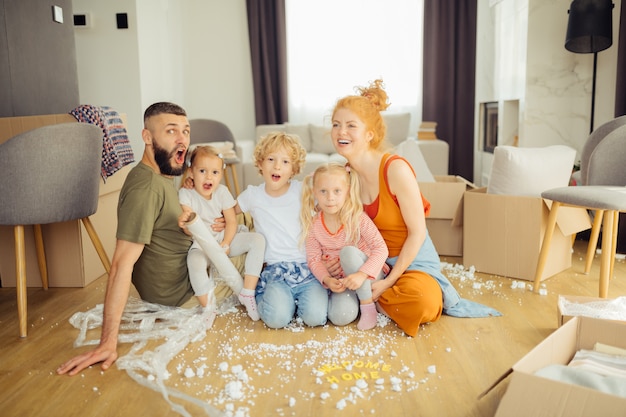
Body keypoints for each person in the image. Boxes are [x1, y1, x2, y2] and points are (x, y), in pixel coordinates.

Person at [328, 79, 501, 337]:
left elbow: (417, 234)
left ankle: (368, 297)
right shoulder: (346, 175)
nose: (341, 132)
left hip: (411, 264)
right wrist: (333, 257)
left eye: (351, 126)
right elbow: (346, 229)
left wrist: (389, 282)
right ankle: (367, 295)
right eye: (336, 125)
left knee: (424, 303)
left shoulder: (395, 169)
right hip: (372, 262)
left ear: (369, 134)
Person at [57, 102, 199, 376]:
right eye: (171, 131)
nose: (182, 139)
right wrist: (107, 343)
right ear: (147, 137)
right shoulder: (146, 187)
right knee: (258, 234)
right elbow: (121, 264)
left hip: (187, 274)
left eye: (186, 131)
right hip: (185, 293)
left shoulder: (160, 174)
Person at [236, 132, 328, 329]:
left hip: (308, 268)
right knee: (276, 320)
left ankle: (291, 302)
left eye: (285, 162)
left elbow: (328, 206)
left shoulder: (301, 190)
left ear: (294, 169)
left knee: (315, 317)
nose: (277, 166)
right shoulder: (252, 195)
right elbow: (226, 209)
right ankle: (270, 297)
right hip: (276, 271)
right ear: (260, 163)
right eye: (271, 159)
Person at [178, 145, 265, 321]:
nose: (209, 177)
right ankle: (208, 307)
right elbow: (189, 227)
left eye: (215, 172)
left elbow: (232, 221)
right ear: (191, 173)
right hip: (202, 244)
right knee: (194, 261)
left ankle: (248, 291)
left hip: (224, 239)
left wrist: (225, 243)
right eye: (202, 171)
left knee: (258, 239)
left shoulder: (222, 192)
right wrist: (185, 224)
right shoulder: (186, 193)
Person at [301, 162, 390, 330]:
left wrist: (361, 275)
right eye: (323, 191)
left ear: (347, 191)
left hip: (370, 274)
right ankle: (359, 300)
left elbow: (381, 249)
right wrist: (327, 279)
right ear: (315, 192)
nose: (330, 198)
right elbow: (313, 259)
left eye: (337, 191)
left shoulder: (357, 218)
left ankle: (367, 304)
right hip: (345, 281)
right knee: (339, 317)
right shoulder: (313, 225)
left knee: (347, 253)